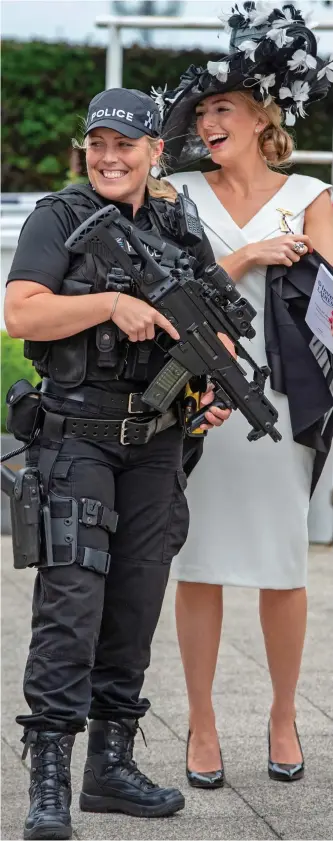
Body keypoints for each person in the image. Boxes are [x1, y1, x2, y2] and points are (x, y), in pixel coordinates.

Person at [4, 87, 230, 840]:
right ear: (85, 147)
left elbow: (215, 318)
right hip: (76, 438)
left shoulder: (176, 224)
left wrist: (215, 380)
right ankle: (48, 781)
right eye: (97, 143)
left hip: (157, 444)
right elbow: (23, 310)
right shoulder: (58, 218)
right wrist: (106, 304)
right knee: (71, 608)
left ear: (152, 152)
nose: (108, 157)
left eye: (124, 145)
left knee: (134, 605)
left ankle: (109, 767)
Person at [152, 3, 333, 787]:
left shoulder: (312, 196)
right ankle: (199, 725)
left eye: (221, 106)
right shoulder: (174, 192)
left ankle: (284, 714)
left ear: (262, 116)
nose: (206, 119)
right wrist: (245, 256)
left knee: (281, 564)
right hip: (194, 399)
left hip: (282, 403)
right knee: (196, 562)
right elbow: (155, 287)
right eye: (200, 111)